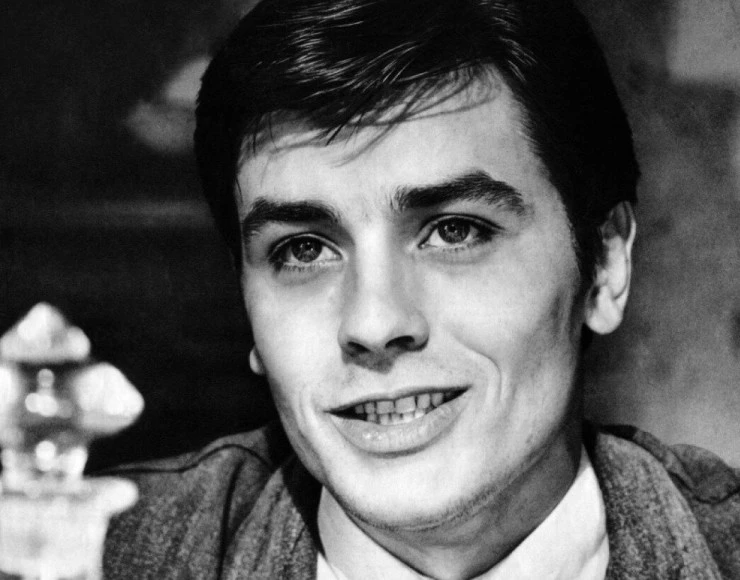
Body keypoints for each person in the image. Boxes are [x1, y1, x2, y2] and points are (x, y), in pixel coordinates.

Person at [102, 0, 740, 578]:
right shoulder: (83, 556)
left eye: (454, 232)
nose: (374, 324)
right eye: (303, 250)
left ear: (604, 266)